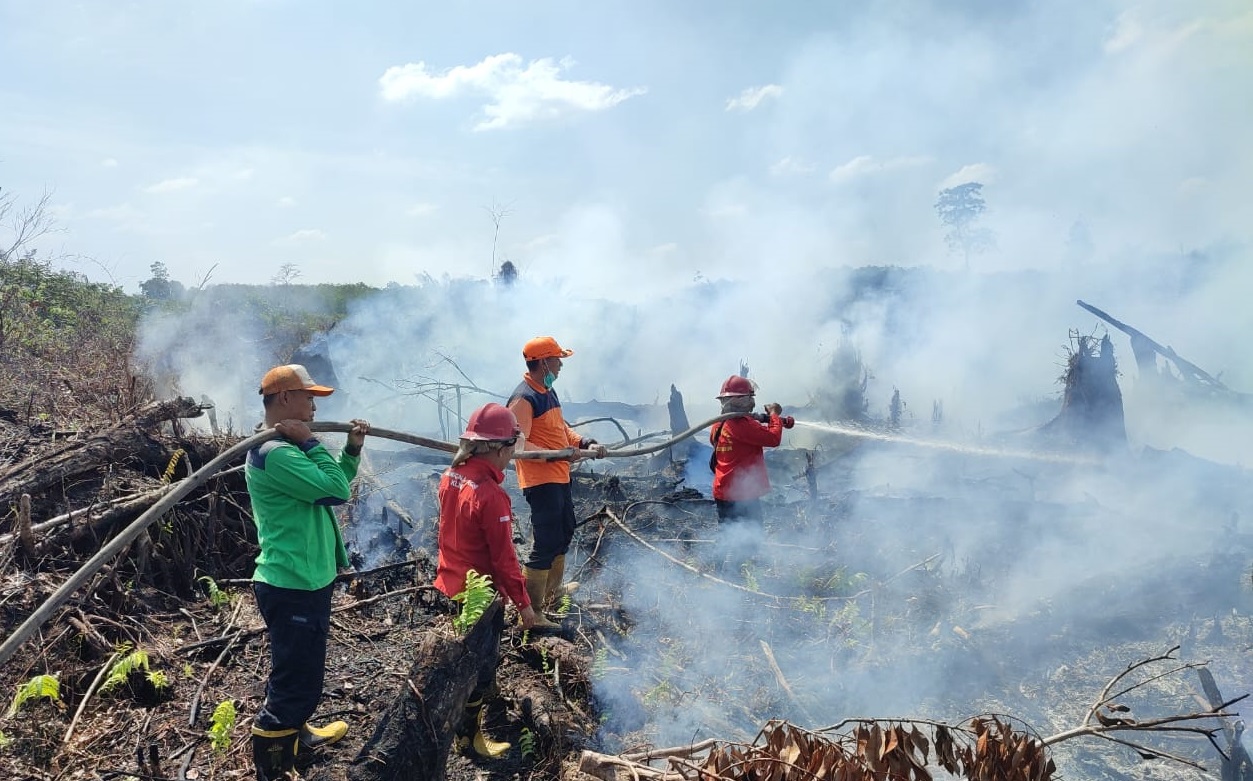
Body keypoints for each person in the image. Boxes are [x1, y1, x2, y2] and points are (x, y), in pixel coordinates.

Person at [246, 363, 370, 781]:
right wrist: (314, 443)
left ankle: (296, 734)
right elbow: (334, 491)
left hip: (307, 580)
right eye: (308, 397)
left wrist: (350, 450)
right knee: (295, 686)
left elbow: (333, 484)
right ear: (284, 399)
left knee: (302, 673)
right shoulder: (276, 452)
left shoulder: (288, 447)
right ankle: (275, 767)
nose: (315, 407)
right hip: (291, 583)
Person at [435, 403, 540, 758]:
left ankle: (472, 705)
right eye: (511, 447)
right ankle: (469, 738)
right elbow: (505, 560)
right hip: (479, 594)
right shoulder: (491, 495)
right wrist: (525, 607)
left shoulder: (451, 476)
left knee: (465, 655)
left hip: (453, 583)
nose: (513, 454)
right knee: (477, 667)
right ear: (497, 448)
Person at [506, 336, 606, 622]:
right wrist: (559, 453)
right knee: (547, 541)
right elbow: (518, 447)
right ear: (542, 363)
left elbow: (560, 429)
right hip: (540, 482)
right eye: (556, 360)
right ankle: (533, 610)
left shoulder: (547, 391)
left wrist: (583, 442)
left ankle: (554, 592)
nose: (561, 365)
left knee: (565, 530)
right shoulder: (524, 398)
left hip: (559, 476)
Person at [708, 375, 793, 524]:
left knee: (730, 536)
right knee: (751, 540)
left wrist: (772, 421)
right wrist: (774, 414)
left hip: (723, 491)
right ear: (741, 399)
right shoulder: (741, 425)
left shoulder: (719, 424)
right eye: (749, 397)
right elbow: (773, 439)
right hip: (741, 495)